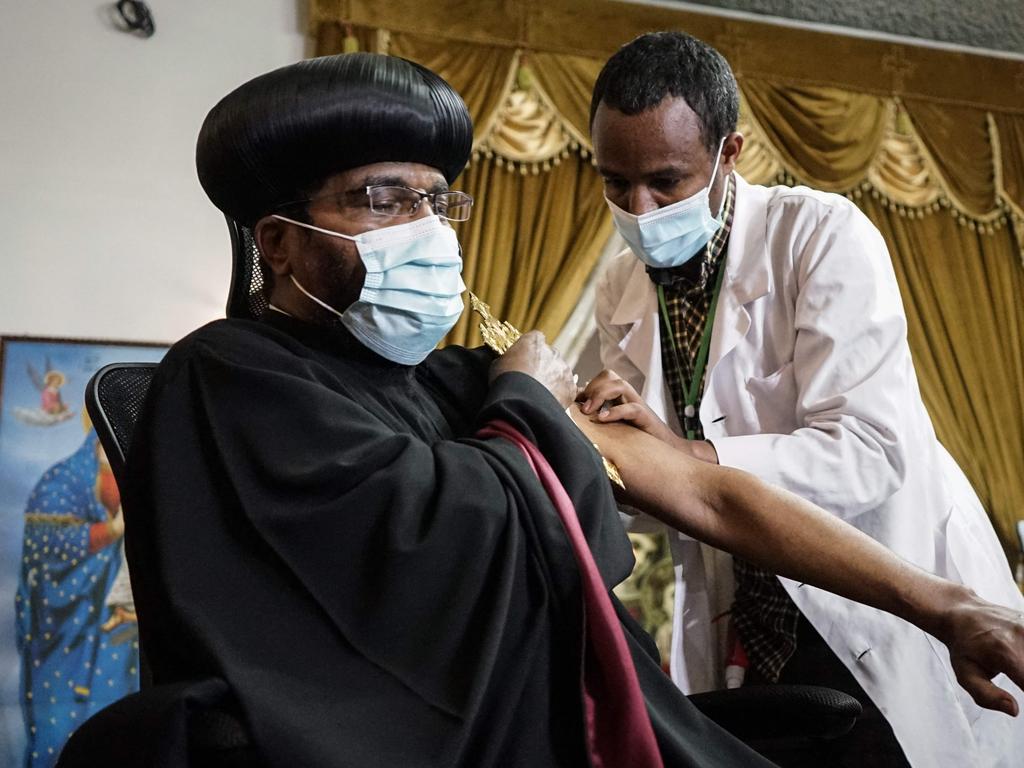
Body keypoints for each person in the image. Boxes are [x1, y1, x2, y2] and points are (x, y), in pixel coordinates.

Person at [99, 51, 1024, 768]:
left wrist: (948, 607)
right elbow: (414, 564)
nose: (425, 231)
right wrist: (526, 401)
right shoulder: (227, 376)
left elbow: (710, 496)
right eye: (382, 199)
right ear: (280, 243)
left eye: (436, 201)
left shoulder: (453, 381)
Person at [581, 30, 1024, 767]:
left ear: (731, 154)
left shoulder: (820, 237)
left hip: (873, 602)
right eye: (615, 182)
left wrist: (686, 455)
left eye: (666, 180)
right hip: (750, 621)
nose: (640, 208)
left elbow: (870, 453)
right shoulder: (620, 289)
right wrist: (609, 449)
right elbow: (660, 495)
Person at [16, 426, 138, 768]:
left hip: (117, 637)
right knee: (60, 732)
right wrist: (111, 531)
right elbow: (44, 546)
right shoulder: (60, 482)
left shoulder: (145, 470)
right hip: (61, 634)